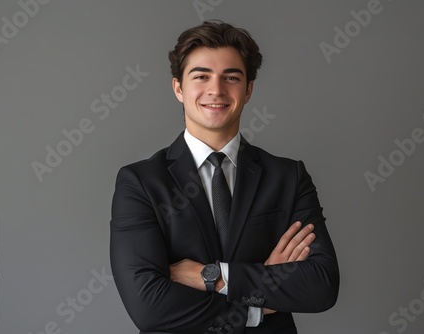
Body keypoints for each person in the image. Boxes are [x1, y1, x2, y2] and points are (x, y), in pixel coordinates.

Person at [110, 20, 339, 334]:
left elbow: (320, 285)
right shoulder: (140, 183)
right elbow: (149, 306)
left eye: (231, 77)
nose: (216, 90)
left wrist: (213, 276)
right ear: (178, 88)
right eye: (201, 76)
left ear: (248, 90)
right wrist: (256, 306)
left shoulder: (288, 177)